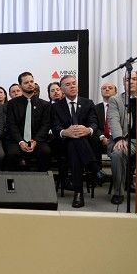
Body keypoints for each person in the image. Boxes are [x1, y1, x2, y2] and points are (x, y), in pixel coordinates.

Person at [51, 75, 111, 208]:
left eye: (74, 83)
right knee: (73, 142)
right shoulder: (56, 107)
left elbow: (94, 123)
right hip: (64, 143)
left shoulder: (88, 103)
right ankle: (95, 170)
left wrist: (88, 130)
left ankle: (78, 193)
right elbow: (55, 126)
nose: (72, 86)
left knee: (76, 143)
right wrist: (65, 132)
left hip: (85, 142)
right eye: (68, 84)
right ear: (62, 89)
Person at [5, 72, 51, 172]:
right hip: (17, 140)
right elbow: (11, 125)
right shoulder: (12, 104)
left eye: (31, 81)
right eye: (26, 82)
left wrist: (35, 141)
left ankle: (41, 180)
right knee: (12, 154)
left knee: (46, 152)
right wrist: (21, 141)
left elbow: (45, 125)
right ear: (20, 86)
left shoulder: (44, 105)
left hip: (37, 140)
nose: (30, 84)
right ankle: (14, 180)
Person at [107, 72, 137, 205]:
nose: (131, 81)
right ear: (123, 83)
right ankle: (118, 192)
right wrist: (119, 138)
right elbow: (113, 120)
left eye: (135, 79)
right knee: (118, 153)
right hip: (126, 140)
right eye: (127, 79)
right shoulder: (116, 100)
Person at [95, 82, 118, 160]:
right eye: (104, 88)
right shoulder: (95, 108)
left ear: (116, 92)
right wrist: (102, 137)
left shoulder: (121, 107)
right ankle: (97, 168)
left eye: (110, 88)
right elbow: (94, 125)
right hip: (100, 138)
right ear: (101, 92)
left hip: (116, 138)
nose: (107, 89)